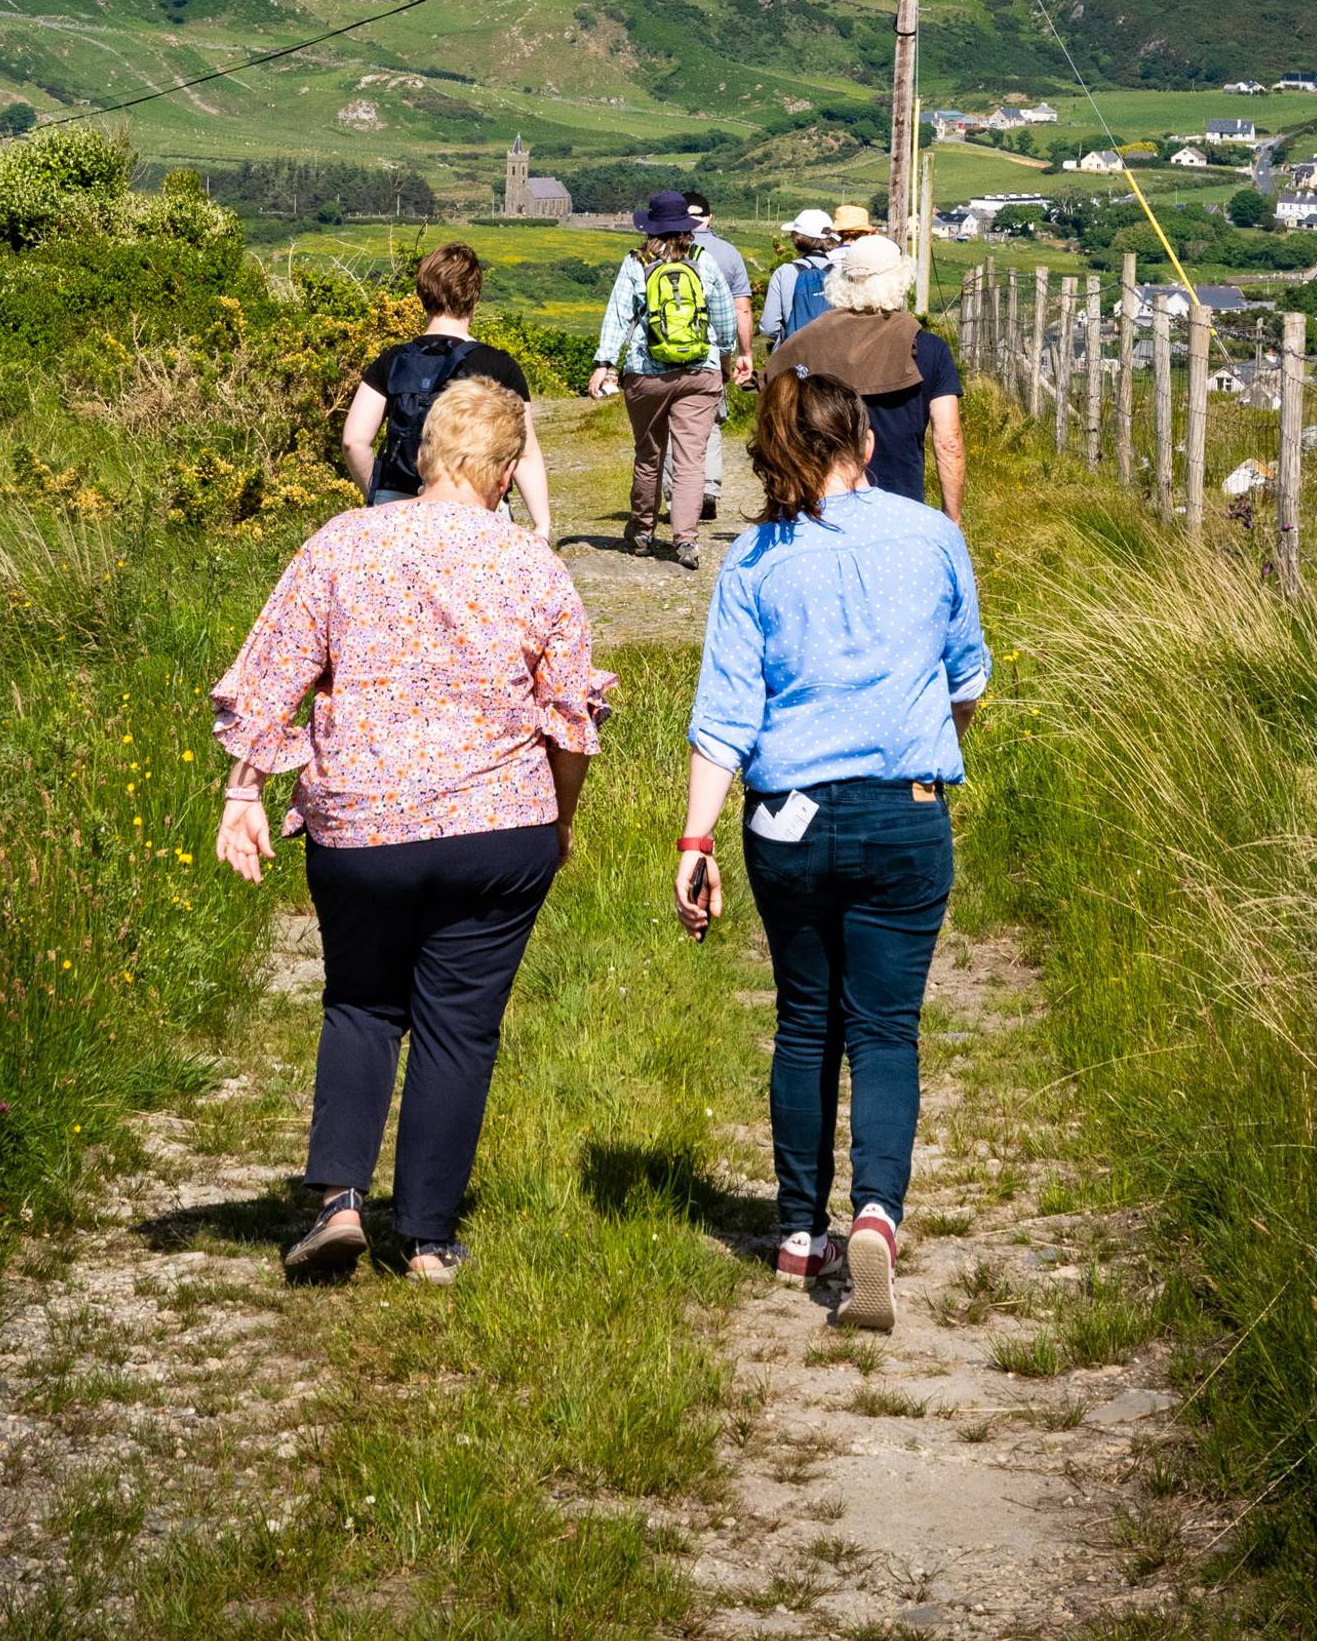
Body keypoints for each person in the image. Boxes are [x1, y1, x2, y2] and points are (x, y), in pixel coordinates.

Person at [213, 376, 612, 1286]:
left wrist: (244, 796)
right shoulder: (532, 566)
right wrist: (557, 823)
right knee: (460, 1028)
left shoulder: (342, 545)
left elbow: (271, 681)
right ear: (506, 472)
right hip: (498, 827)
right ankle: (428, 1239)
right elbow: (571, 723)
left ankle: (340, 1201)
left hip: (363, 829)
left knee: (360, 1004)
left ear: (423, 453)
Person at [673, 369, 989, 1333]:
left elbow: (725, 718)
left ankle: (799, 1231)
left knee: (806, 1021)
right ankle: (878, 1216)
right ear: (860, 438)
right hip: (904, 810)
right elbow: (965, 678)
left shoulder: (756, 561)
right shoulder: (934, 536)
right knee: (886, 1028)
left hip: (787, 821)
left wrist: (695, 838)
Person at [341, 242, 553, 542]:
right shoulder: (499, 366)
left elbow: (353, 441)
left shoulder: (392, 361)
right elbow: (526, 453)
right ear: (474, 297)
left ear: (423, 294)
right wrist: (541, 526)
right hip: (478, 506)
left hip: (398, 503)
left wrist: (379, 497)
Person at [587, 189, 749, 568]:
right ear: (687, 227)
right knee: (691, 460)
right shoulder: (703, 262)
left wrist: (605, 363)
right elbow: (725, 316)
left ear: (651, 228)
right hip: (699, 371)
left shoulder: (635, 263)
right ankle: (686, 541)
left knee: (649, 453)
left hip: (647, 374)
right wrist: (724, 358)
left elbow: (618, 317)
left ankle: (643, 531)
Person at [769, 234, 965, 524]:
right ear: (900, 280)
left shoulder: (802, 344)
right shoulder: (929, 348)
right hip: (902, 511)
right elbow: (948, 441)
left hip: (815, 508)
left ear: (841, 281)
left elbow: (776, 428)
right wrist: (952, 520)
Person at [670, 192, 754, 522]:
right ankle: (707, 487)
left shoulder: (659, 251)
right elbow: (741, 309)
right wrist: (741, 353)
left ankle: (674, 493)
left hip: (665, 352)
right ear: (711, 217)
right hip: (710, 351)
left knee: (670, 424)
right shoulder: (729, 253)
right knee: (710, 420)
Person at [761, 209, 836, 345]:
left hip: (792, 356)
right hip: (832, 357)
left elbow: (769, 326)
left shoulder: (784, 272)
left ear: (797, 238)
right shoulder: (841, 272)